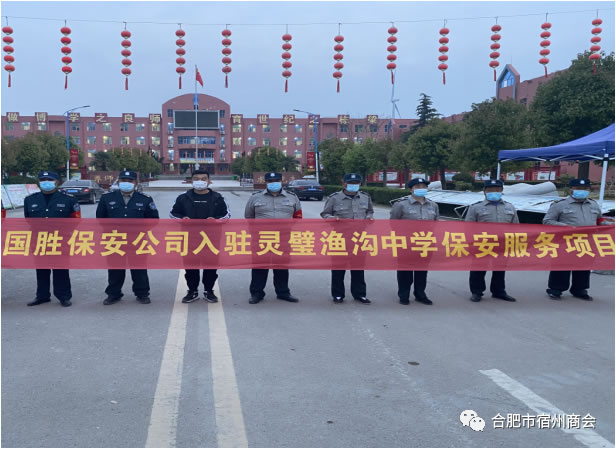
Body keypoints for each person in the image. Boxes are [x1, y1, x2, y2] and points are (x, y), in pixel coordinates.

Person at [96, 170, 159, 305]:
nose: (126, 183)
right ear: (118, 182)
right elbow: (100, 218)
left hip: (137, 240)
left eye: (130, 181)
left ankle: (142, 293)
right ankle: (114, 294)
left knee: (139, 269)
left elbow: (154, 219)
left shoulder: (145, 199)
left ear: (135, 183)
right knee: (115, 269)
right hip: (114, 240)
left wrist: (139, 229)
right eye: (123, 181)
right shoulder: (107, 198)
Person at [170, 169, 230, 303]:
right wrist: (182, 219)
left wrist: (215, 220)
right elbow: (173, 213)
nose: (200, 181)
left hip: (211, 239)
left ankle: (209, 291)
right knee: (191, 266)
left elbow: (226, 215)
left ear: (209, 181)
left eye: (203, 179)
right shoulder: (183, 198)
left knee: (211, 267)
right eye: (196, 179)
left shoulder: (218, 198)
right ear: (191, 181)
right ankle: (192, 291)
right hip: (189, 238)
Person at [24, 171, 81, 307]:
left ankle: (64, 296)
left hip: (60, 240)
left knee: (61, 269)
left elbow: (76, 219)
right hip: (39, 240)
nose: (46, 182)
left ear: (57, 182)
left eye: (49, 180)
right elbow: (28, 219)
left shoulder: (68, 199)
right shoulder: (30, 200)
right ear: (39, 182)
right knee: (41, 269)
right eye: (43, 180)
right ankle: (42, 296)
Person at [244, 172, 302, 304]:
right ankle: (257, 293)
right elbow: (249, 217)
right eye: (270, 181)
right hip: (262, 238)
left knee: (282, 266)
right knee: (260, 266)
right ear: (265, 182)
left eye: (276, 180)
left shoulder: (292, 197)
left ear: (281, 181)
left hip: (284, 238)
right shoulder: (255, 197)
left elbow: (298, 216)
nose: (273, 183)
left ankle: (283, 292)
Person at [543, 178, 602, 301]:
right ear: (571, 189)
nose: (582, 191)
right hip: (566, 241)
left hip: (586, 241)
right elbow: (547, 221)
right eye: (578, 188)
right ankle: (556, 289)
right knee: (562, 266)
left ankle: (579, 289)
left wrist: (609, 224)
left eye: (585, 188)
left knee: (583, 266)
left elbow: (599, 220)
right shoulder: (560, 205)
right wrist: (566, 227)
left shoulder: (593, 204)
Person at [321, 173, 374, 304]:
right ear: (344, 183)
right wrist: (333, 218)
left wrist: (369, 217)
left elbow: (370, 211)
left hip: (359, 237)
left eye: (356, 183)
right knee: (338, 267)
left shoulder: (365, 197)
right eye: (350, 183)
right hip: (340, 237)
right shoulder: (334, 198)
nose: (353, 185)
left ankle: (359, 294)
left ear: (360, 184)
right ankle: (338, 294)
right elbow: (325, 214)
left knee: (358, 267)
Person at [465, 179, 519, 303]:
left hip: (503, 244)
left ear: (502, 191)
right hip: (482, 244)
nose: (494, 192)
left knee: (500, 269)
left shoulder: (510, 207)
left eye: (497, 189)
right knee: (478, 269)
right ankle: (476, 292)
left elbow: (515, 226)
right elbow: (468, 227)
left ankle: (499, 291)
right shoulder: (476, 207)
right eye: (490, 190)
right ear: (484, 191)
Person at [390, 178, 440, 305]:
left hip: (425, 243)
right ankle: (404, 294)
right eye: (417, 187)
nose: (421, 189)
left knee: (422, 270)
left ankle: (420, 294)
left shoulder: (433, 205)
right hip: (406, 243)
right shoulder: (401, 205)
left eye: (423, 186)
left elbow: (436, 223)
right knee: (405, 270)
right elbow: (393, 223)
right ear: (410, 189)